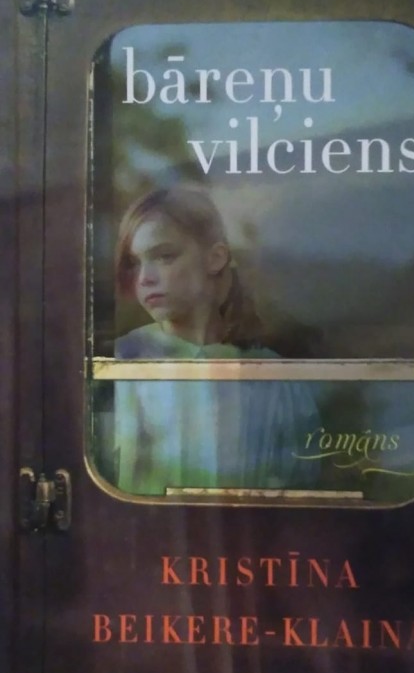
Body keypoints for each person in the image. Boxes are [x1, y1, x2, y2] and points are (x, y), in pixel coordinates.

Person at [109, 183, 321, 495]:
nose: (145, 278)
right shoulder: (121, 360)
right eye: (135, 262)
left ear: (215, 258)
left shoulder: (272, 373)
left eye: (164, 257)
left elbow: (300, 481)